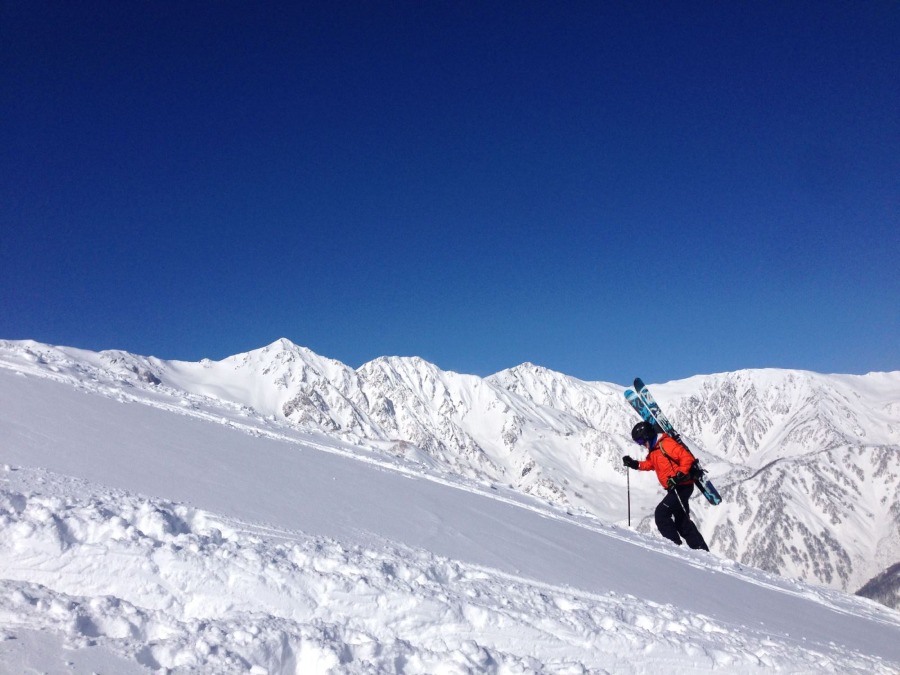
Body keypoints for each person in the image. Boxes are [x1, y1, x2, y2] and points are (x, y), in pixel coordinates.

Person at [622, 421, 709, 551]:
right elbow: (650, 464)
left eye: (641, 441)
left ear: (648, 436)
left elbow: (687, 458)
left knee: (661, 514)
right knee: (682, 522)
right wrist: (634, 464)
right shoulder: (654, 450)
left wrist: (678, 476)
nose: (642, 445)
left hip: (682, 486)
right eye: (638, 442)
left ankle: (674, 547)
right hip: (676, 487)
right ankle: (701, 550)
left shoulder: (666, 444)